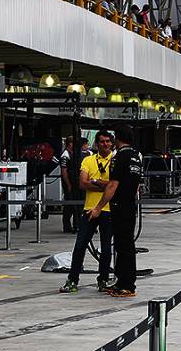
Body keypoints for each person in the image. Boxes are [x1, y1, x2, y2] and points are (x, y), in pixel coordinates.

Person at [88, 125, 142, 297]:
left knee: (123, 245)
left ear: (118, 139)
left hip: (119, 206)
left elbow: (113, 184)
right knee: (125, 244)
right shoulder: (136, 157)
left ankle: (127, 285)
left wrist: (98, 206)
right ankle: (122, 281)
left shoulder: (120, 157)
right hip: (130, 205)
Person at [61, 131, 114, 293]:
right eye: (102, 142)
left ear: (111, 143)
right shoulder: (88, 160)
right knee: (80, 245)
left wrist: (95, 181)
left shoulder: (115, 160)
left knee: (106, 248)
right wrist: (104, 184)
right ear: (96, 144)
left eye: (107, 141)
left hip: (109, 210)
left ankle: (103, 280)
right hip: (89, 209)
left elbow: (115, 185)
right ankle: (72, 280)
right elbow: (82, 184)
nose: (105, 144)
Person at [60, 136, 89, 233]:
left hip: (75, 183)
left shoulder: (75, 154)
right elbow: (64, 172)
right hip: (69, 182)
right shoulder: (65, 155)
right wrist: (68, 184)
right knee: (69, 205)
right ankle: (67, 226)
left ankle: (76, 224)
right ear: (70, 144)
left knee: (76, 204)